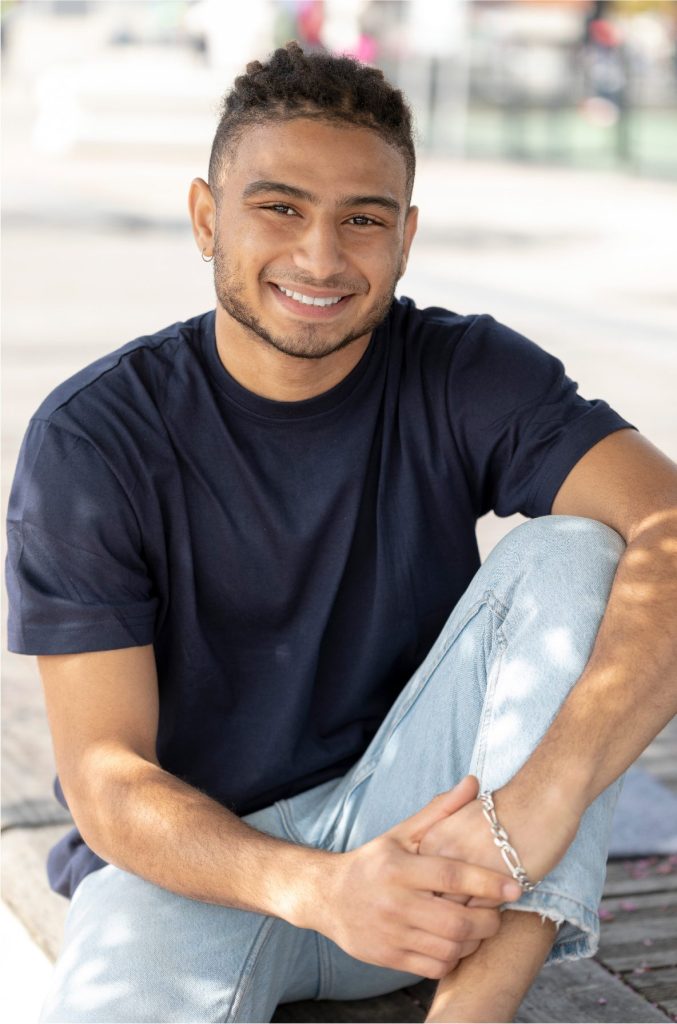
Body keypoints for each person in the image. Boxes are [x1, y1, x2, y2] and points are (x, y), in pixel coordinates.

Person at [6, 42, 676, 1024]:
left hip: (437, 860)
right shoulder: (94, 439)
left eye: (360, 220)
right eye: (278, 207)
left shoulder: (458, 370)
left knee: (580, 552)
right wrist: (315, 887)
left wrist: (538, 799)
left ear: (404, 239)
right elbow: (107, 778)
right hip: (202, 874)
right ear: (206, 217)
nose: (320, 256)